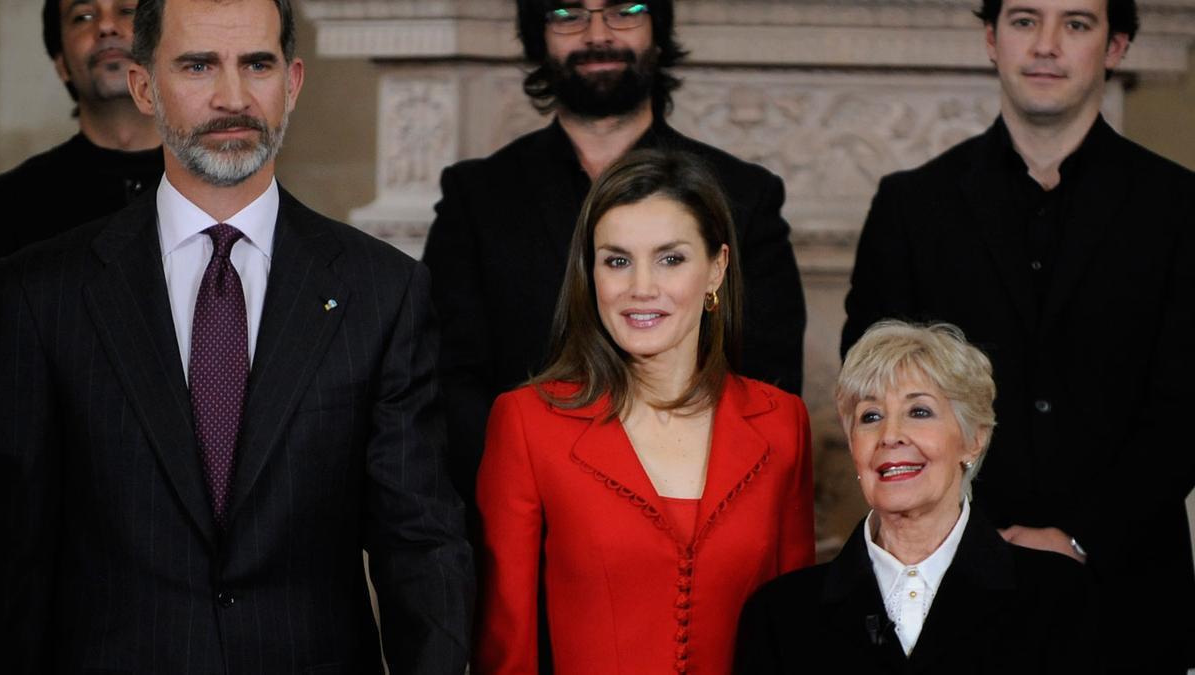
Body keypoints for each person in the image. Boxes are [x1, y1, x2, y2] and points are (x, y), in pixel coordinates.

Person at [0, 0, 473, 672]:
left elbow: (419, 542)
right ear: (144, 86)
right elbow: (14, 551)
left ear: (292, 82)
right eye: (197, 65)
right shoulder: (39, 294)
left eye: (257, 64)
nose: (233, 96)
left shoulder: (382, 291)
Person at [840, 0, 1195, 670]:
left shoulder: (1180, 208)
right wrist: (975, 541)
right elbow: (875, 394)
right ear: (990, 39)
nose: (1047, 45)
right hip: (949, 589)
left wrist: (1083, 538)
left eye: (1078, 24)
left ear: (1115, 46)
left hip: (1129, 594)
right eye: (1025, 20)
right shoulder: (910, 205)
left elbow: (1187, 407)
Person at [423, 0, 806, 511]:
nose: (598, 33)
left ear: (658, 29)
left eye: (625, 10)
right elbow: (447, 379)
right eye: (568, 13)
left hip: (698, 513)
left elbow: (767, 383)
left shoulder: (743, 196)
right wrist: (521, 495)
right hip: (519, 517)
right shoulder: (477, 197)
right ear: (538, 34)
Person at [474, 149, 814, 675]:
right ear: (592, 275)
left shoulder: (783, 423)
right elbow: (508, 647)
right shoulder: (527, 423)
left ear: (716, 269)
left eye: (671, 258)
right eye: (617, 260)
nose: (641, 288)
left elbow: (795, 635)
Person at [737, 321, 1096, 674]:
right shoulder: (779, 615)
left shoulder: (1057, 597)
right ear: (853, 447)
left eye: (919, 412)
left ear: (974, 439)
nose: (890, 435)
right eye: (871, 416)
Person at [0, 0, 163, 260]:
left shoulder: (220, 184)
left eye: (128, 11)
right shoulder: (7, 205)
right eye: (83, 17)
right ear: (61, 65)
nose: (106, 26)